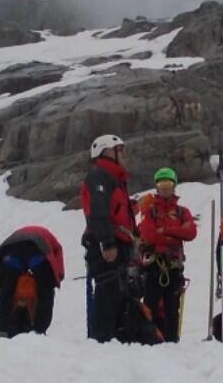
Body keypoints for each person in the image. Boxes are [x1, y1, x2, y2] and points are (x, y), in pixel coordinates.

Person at [80, 134, 137, 343]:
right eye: (120, 150)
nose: (124, 154)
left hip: (118, 244)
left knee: (118, 296)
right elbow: (97, 213)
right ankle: (101, 342)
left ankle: (112, 341)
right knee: (108, 294)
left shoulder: (114, 179)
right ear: (106, 152)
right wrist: (108, 242)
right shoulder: (100, 176)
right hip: (107, 246)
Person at [138, 167, 198, 342]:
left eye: (168, 184)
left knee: (172, 308)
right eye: (162, 184)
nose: (165, 188)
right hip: (153, 266)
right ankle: (149, 339)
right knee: (151, 305)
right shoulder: (149, 211)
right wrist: (175, 235)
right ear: (157, 187)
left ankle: (172, 343)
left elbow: (191, 233)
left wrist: (164, 230)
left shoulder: (182, 212)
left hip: (174, 266)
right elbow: (148, 235)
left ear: (174, 186)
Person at [0, 225, 65, 338]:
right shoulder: (55, 246)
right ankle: (38, 330)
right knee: (45, 289)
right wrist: (55, 279)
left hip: (9, 250)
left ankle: (2, 329)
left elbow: (1, 281)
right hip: (36, 248)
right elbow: (56, 273)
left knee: (6, 291)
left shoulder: (20, 234)